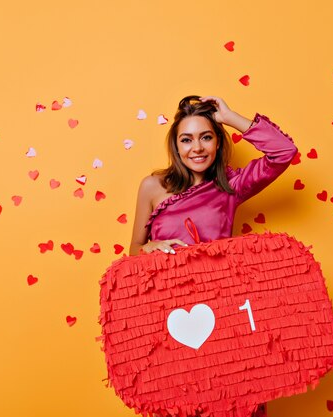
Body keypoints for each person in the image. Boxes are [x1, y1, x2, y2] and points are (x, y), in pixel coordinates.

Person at [128, 95, 298, 417]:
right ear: (176, 147)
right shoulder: (152, 187)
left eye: (206, 137)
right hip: (171, 316)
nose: (197, 148)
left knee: (235, 399)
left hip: (225, 312)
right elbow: (133, 251)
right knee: (182, 403)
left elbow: (283, 153)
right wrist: (147, 248)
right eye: (187, 139)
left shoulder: (230, 186)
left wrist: (231, 116)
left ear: (218, 143)